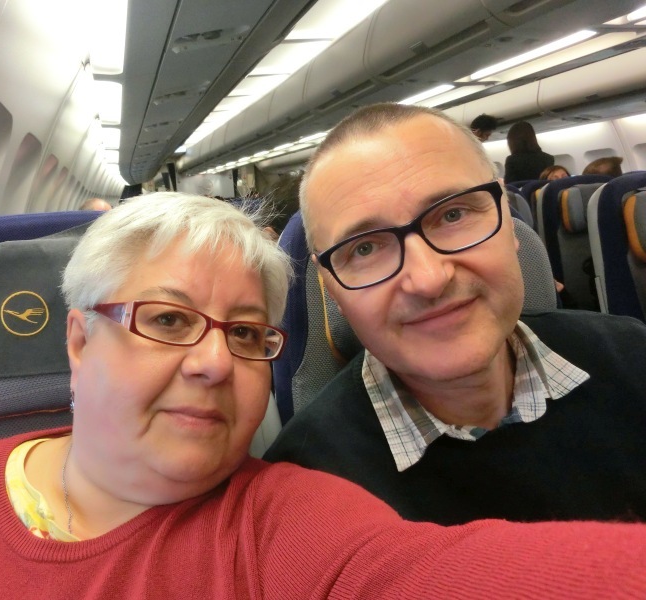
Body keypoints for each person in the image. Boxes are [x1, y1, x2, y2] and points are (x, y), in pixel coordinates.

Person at [0, 194, 646, 598]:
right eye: (167, 319)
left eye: (245, 334)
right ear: (80, 341)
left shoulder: (282, 528)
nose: (213, 363)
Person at [264, 102, 646, 526]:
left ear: (507, 220)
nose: (428, 279)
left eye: (452, 214)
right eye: (366, 248)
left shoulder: (633, 354)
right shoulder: (303, 489)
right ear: (330, 286)